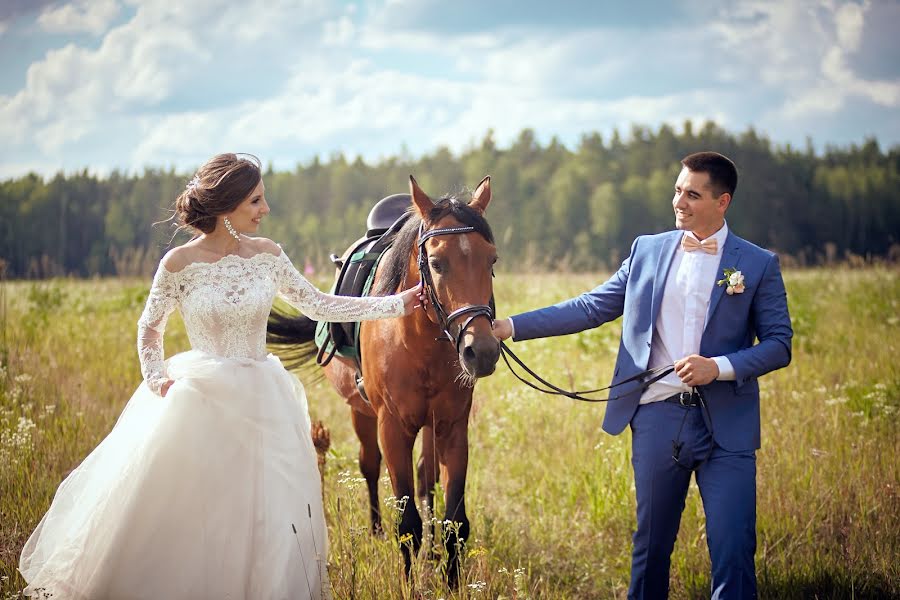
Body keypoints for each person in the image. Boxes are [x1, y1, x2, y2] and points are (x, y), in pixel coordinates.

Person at [18, 153, 425, 599]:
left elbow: (320, 305)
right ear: (227, 207)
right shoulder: (178, 264)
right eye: (255, 200)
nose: (265, 210)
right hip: (199, 398)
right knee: (194, 512)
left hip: (263, 399)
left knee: (267, 514)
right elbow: (150, 327)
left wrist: (399, 303)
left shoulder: (268, 256)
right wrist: (155, 376)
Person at [493, 152, 792, 599]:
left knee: (733, 551)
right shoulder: (647, 250)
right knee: (651, 550)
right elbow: (591, 306)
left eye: (692, 194)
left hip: (728, 426)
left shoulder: (757, 263)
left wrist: (720, 368)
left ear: (722, 201)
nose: (680, 202)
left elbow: (778, 345)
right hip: (657, 419)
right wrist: (511, 326)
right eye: (677, 190)